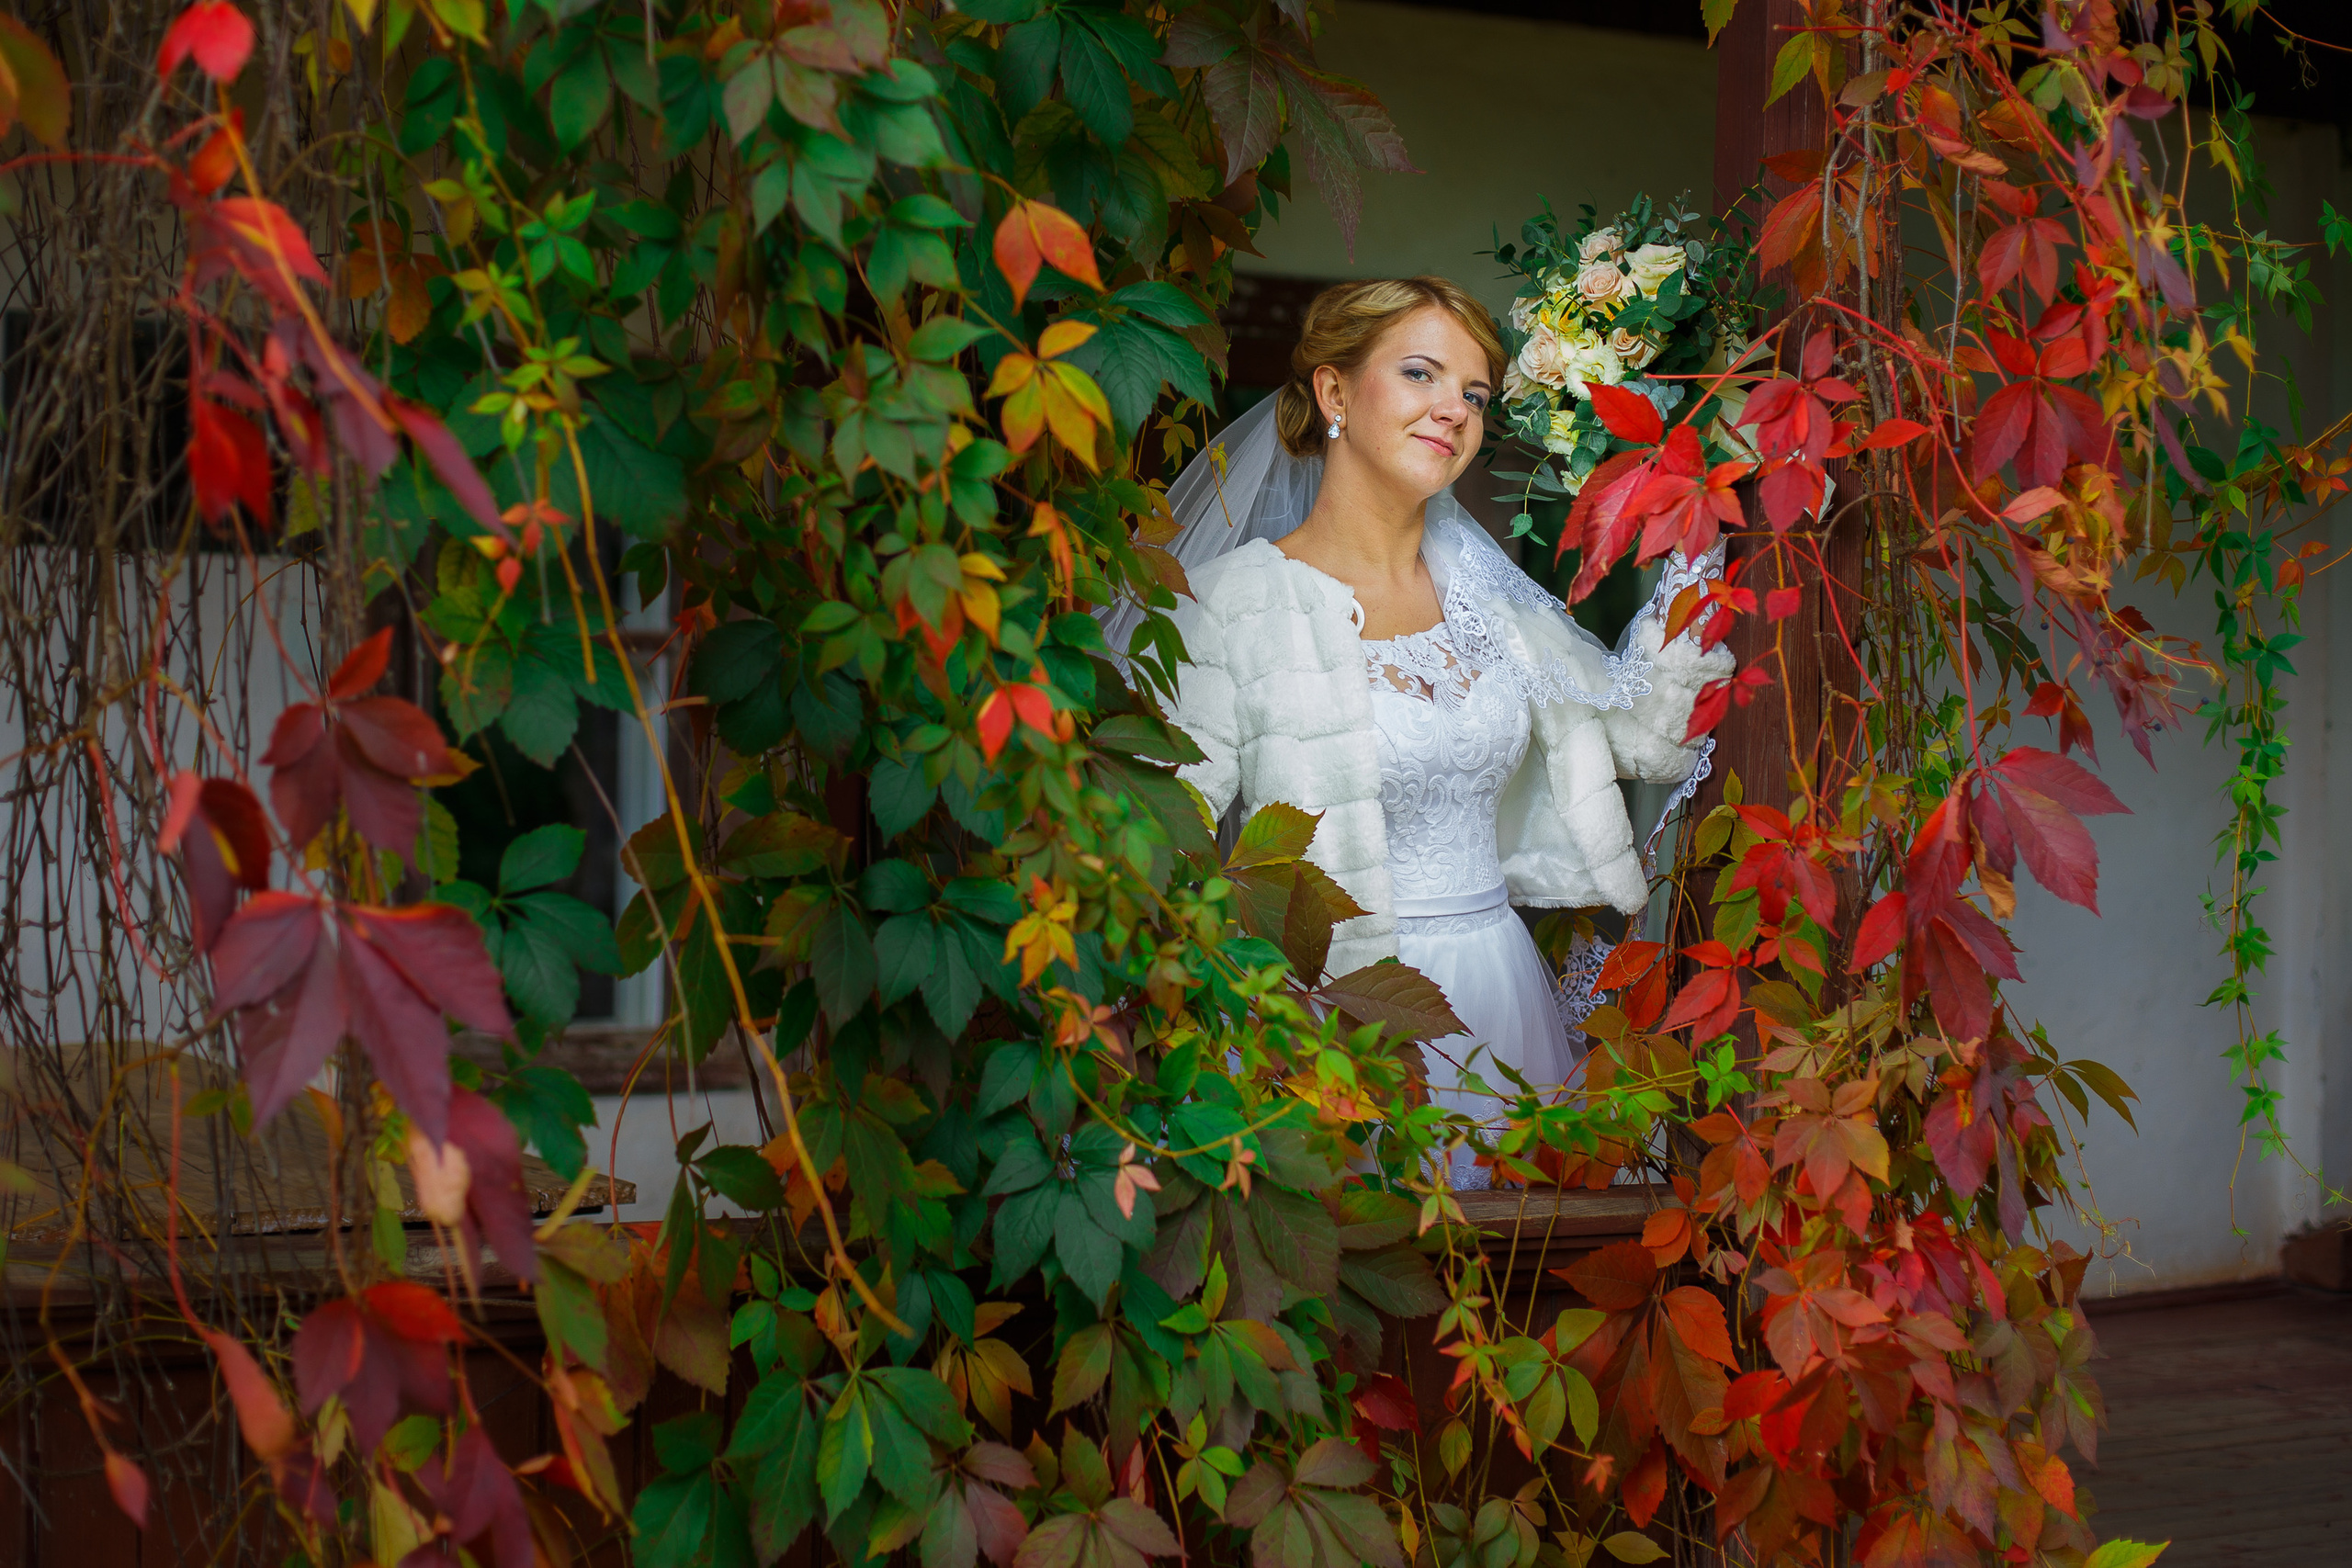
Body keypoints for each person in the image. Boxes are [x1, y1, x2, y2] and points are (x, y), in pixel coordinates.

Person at [1119, 276, 1730, 1188]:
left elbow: (1636, 732)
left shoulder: (1491, 604)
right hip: (1327, 1021)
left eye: (1475, 395)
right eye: (1419, 374)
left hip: (1498, 994)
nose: (1453, 409)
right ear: (1333, 393)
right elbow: (1154, 854)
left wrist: (1698, 522)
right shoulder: (1235, 606)